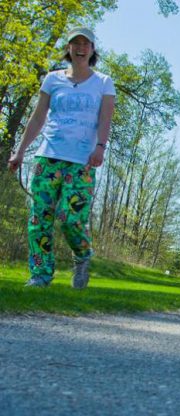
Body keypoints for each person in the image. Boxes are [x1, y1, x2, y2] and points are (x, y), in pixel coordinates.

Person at [7, 27, 115, 288]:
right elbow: (37, 117)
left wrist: (100, 146)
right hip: (48, 157)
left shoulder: (102, 82)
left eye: (85, 44)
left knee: (70, 218)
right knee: (39, 218)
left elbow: (105, 118)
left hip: (82, 161)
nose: (80, 48)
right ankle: (40, 275)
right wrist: (20, 151)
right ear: (68, 48)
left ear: (92, 50)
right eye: (75, 43)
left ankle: (82, 254)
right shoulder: (53, 80)